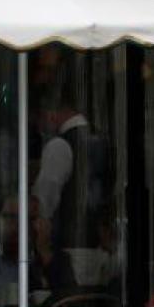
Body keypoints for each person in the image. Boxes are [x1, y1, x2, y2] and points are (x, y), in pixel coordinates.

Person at [32, 87, 111, 250]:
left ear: (52, 113)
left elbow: (46, 196)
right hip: (99, 244)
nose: (41, 124)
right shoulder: (102, 142)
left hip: (68, 245)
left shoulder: (59, 145)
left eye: (41, 117)